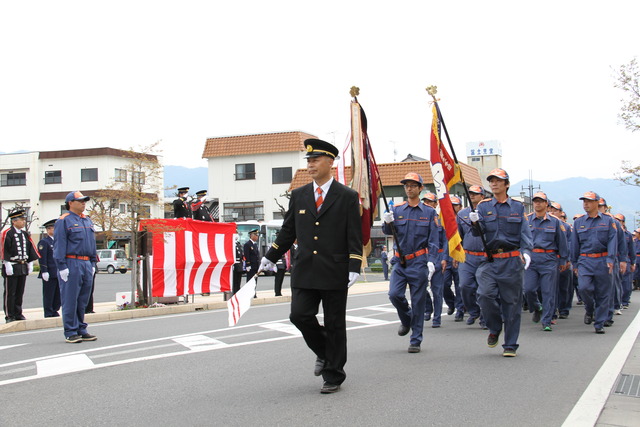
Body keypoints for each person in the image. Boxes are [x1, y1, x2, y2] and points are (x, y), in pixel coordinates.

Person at [260, 138, 362, 394]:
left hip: (335, 269)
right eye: (308, 160)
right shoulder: (299, 195)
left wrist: (354, 264)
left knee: (335, 323)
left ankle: (333, 375)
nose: (310, 165)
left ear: (330, 162)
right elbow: (288, 231)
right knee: (299, 315)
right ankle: (326, 351)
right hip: (305, 269)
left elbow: (354, 234)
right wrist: (271, 255)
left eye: (315, 160)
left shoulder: (347, 196)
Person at [469, 168, 533, 357]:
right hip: (489, 260)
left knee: (512, 303)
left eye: (498, 180)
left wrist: (526, 252)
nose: (494, 183)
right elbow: (477, 233)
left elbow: (524, 232)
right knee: (484, 295)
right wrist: (475, 223)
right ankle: (495, 327)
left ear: (506, 184)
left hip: (511, 260)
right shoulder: (483, 206)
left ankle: (510, 344)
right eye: (491, 181)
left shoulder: (518, 207)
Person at [383, 173, 439, 353]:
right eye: (407, 185)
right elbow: (387, 232)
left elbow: (434, 240)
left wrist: (431, 261)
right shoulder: (397, 210)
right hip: (400, 261)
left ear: (420, 188)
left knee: (418, 301)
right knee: (394, 294)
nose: (409, 188)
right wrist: (386, 222)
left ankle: (416, 339)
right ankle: (406, 319)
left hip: (419, 261)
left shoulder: (429, 212)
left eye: (413, 185)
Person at [54, 191, 99, 343]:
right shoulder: (63, 220)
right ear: (70, 203)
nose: (83, 203)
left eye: (84, 201)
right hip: (71, 262)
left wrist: (93, 262)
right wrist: (62, 266)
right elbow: (59, 244)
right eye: (80, 201)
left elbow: (92, 243)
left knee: (83, 299)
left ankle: (81, 328)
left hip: (86, 262)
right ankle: (70, 331)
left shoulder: (87, 220)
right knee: (70, 298)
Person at [570, 191, 617, 334]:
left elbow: (612, 241)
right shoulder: (579, 222)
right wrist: (575, 263)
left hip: (602, 259)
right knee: (584, 288)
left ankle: (599, 323)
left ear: (597, 203)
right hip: (585, 260)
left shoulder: (608, 221)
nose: (586, 204)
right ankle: (589, 309)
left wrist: (610, 259)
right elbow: (575, 245)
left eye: (589, 201)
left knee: (603, 293)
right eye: (584, 201)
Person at [523, 192, 568, 331]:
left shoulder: (555, 221)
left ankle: (547, 320)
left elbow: (562, 242)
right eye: (535, 201)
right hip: (531, 259)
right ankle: (537, 306)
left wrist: (563, 260)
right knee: (528, 289)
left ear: (546, 204)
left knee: (548, 291)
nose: (538, 203)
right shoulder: (527, 220)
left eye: (541, 201)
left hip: (549, 259)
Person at [1, 209, 39, 323]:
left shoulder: (25, 234)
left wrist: (30, 262)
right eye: (21, 220)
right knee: (10, 292)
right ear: (14, 221)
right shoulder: (7, 233)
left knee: (19, 291)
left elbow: (30, 248)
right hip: (11, 264)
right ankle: (9, 314)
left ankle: (18, 313)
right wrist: (6, 263)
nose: (23, 222)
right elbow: (4, 249)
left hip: (22, 265)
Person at [457, 185, 487, 328]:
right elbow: (458, 237)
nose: (472, 195)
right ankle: (474, 311)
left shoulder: (488, 212)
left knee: (484, 289)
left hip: (485, 256)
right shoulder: (462, 214)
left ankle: (485, 317)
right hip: (468, 256)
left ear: (482, 196)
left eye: (476, 193)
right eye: (470, 193)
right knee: (465, 285)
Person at [421, 192, 447, 328]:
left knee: (437, 290)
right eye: (425, 201)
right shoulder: (420, 218)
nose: (427, 204)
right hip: (422, 257)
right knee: (421, 286)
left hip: (437, 256)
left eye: (430, 202)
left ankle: (437, 318)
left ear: (436, 204)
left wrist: (444, 258)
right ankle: (427, 308)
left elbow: (446, 241)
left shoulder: (441, 221)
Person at [37, 219, 61, 318]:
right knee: (49, 294)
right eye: (53, 228)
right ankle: (48, 311)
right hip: (49, 272)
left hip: (58, 271)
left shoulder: (58, 241)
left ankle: (55, 309)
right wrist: (44, 271)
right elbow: (42, 258)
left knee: (57, 293)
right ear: (48, 230)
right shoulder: (44, 242)